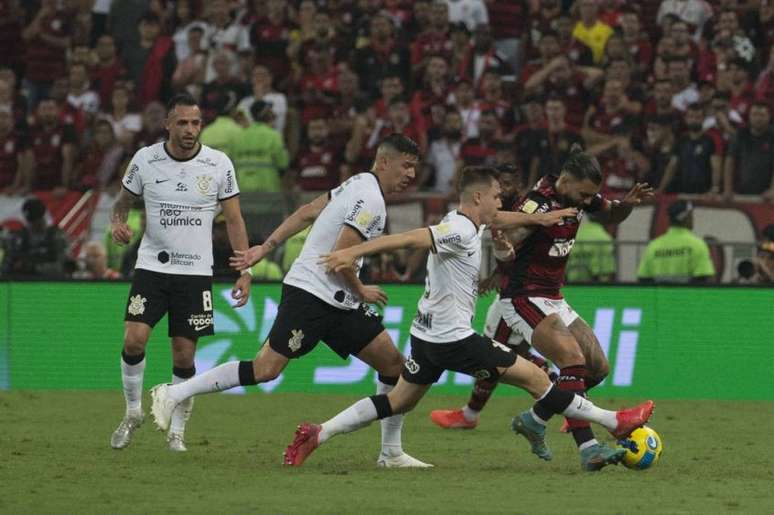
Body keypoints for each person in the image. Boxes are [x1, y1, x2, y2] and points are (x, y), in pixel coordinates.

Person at [281, 166, 654, 468]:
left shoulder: (465, 220)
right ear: (478, 197)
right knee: (539, 378)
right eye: (495, 196)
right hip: (453, 339)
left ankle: (319, 432)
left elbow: (502, 220)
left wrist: (545, 220)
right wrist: (355, 252)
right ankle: (614, 422)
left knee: (399, 401)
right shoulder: (457, 230)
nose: (500, 202)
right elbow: (411, 239)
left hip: (425, 335)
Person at [149, 135, 432, 468]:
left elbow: (307, 212)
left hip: (339, 303)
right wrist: (362, 291)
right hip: (311, 295)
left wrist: (263, 248)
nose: (411, 175)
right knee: (265, 369)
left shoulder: (356, 184)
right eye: (406, 166)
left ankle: (390, 452)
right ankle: (173, 393)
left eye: (414, 168)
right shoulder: (369, 198)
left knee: (393, 365)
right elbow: (339, 257)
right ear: (384, 162)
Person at [428, 145, 654, 470]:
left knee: (598, 367)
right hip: (523, 296)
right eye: (585, 194)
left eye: (592, 195)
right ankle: (589, 448)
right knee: (571, 360)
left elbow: (611, 211)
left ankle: (537, 418)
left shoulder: (580, 196)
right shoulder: (539, 201)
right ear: (565, 180)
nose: (588, 201)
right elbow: (514, 231)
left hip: (553, 296)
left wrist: (628, 204)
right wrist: (507, 241)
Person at [109, 93, 252, 452]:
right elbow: (122, 202)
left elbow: (234, 219)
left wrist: (245, 269)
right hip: (152, 267)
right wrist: (118, 223)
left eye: (196, 123)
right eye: (183, 123)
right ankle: (132, 412)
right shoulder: (145, 159)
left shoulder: (218, 164)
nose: (190, 130)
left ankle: (177, 431)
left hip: (194, 273)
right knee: (133, 340)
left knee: (184, 356)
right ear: (168, 124)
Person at [637, 200, 715, 283]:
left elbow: (643, 279)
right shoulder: (698, 245)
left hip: (660, 295)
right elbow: (704, 278)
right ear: (687, 217)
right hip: (687, 295)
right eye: (691, 215)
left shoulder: (653, 246)